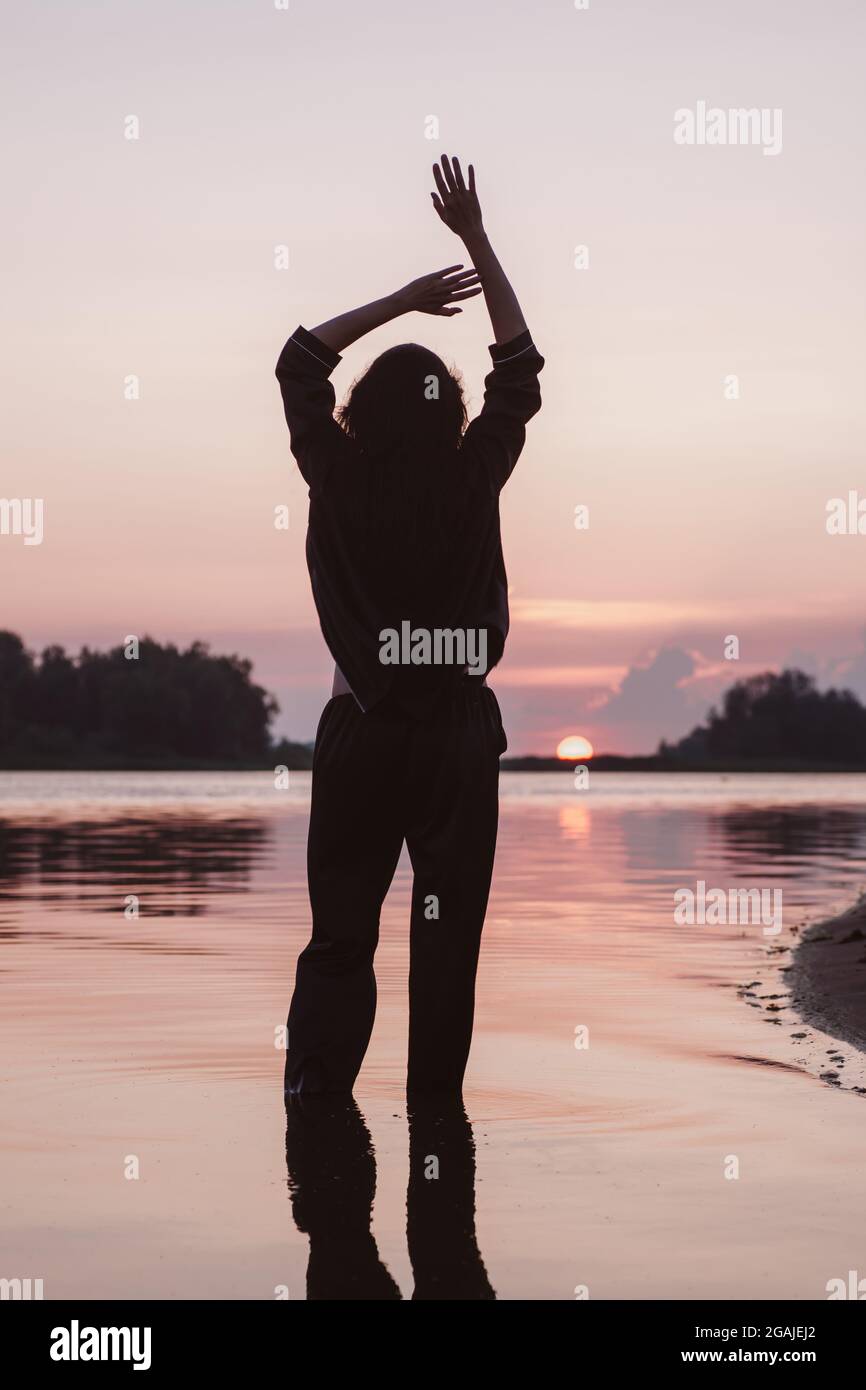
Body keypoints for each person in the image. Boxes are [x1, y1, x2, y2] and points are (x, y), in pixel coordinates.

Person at [276, 155, 543, 1096]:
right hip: (456, 740)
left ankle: (316, 1112)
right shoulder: (476, 472)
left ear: (360, 413)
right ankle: (437, 1127)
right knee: (446, 941)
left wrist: (401, 300)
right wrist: (476, 239)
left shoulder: (336, 473)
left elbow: (298, 361)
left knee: (342, 936)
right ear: (452, 410)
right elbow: (519, 365)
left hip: (363, 733)